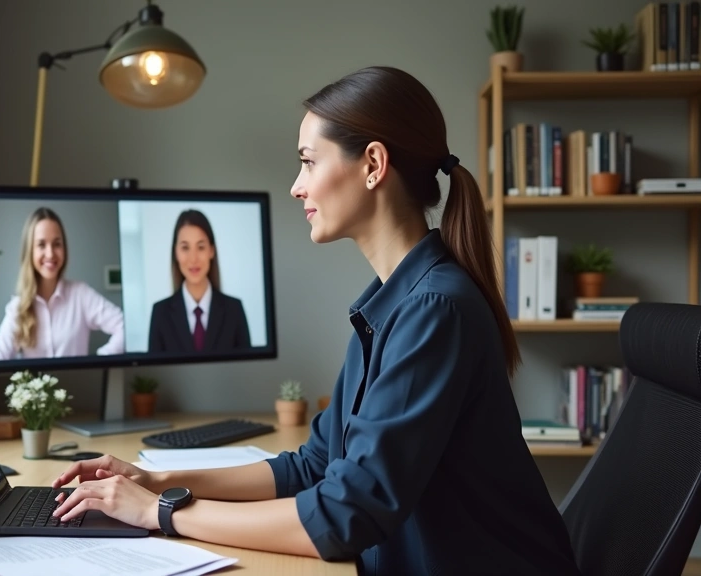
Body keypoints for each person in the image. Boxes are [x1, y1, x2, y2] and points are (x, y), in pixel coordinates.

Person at [47, 66, 582, 576]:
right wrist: (156, 478)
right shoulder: (390, 303)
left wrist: (160, 512)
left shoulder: (434, 310)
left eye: (308, 161)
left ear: (373, 164)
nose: (296, 186)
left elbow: (347, 513)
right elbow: (315, 465)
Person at [0, 207, 125, 360]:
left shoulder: (81, 294)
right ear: (29, 251)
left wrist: (98, 361)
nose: (50, 254)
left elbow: (124, 326)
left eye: (57, 244)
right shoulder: (18, 308)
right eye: (41, 245)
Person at [147, 209, 251, 354]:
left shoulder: (234, 309)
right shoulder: (160, 312)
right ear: (175, 252)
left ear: (211, 251)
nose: (193, 258)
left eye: (201, 247)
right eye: (185, 248)